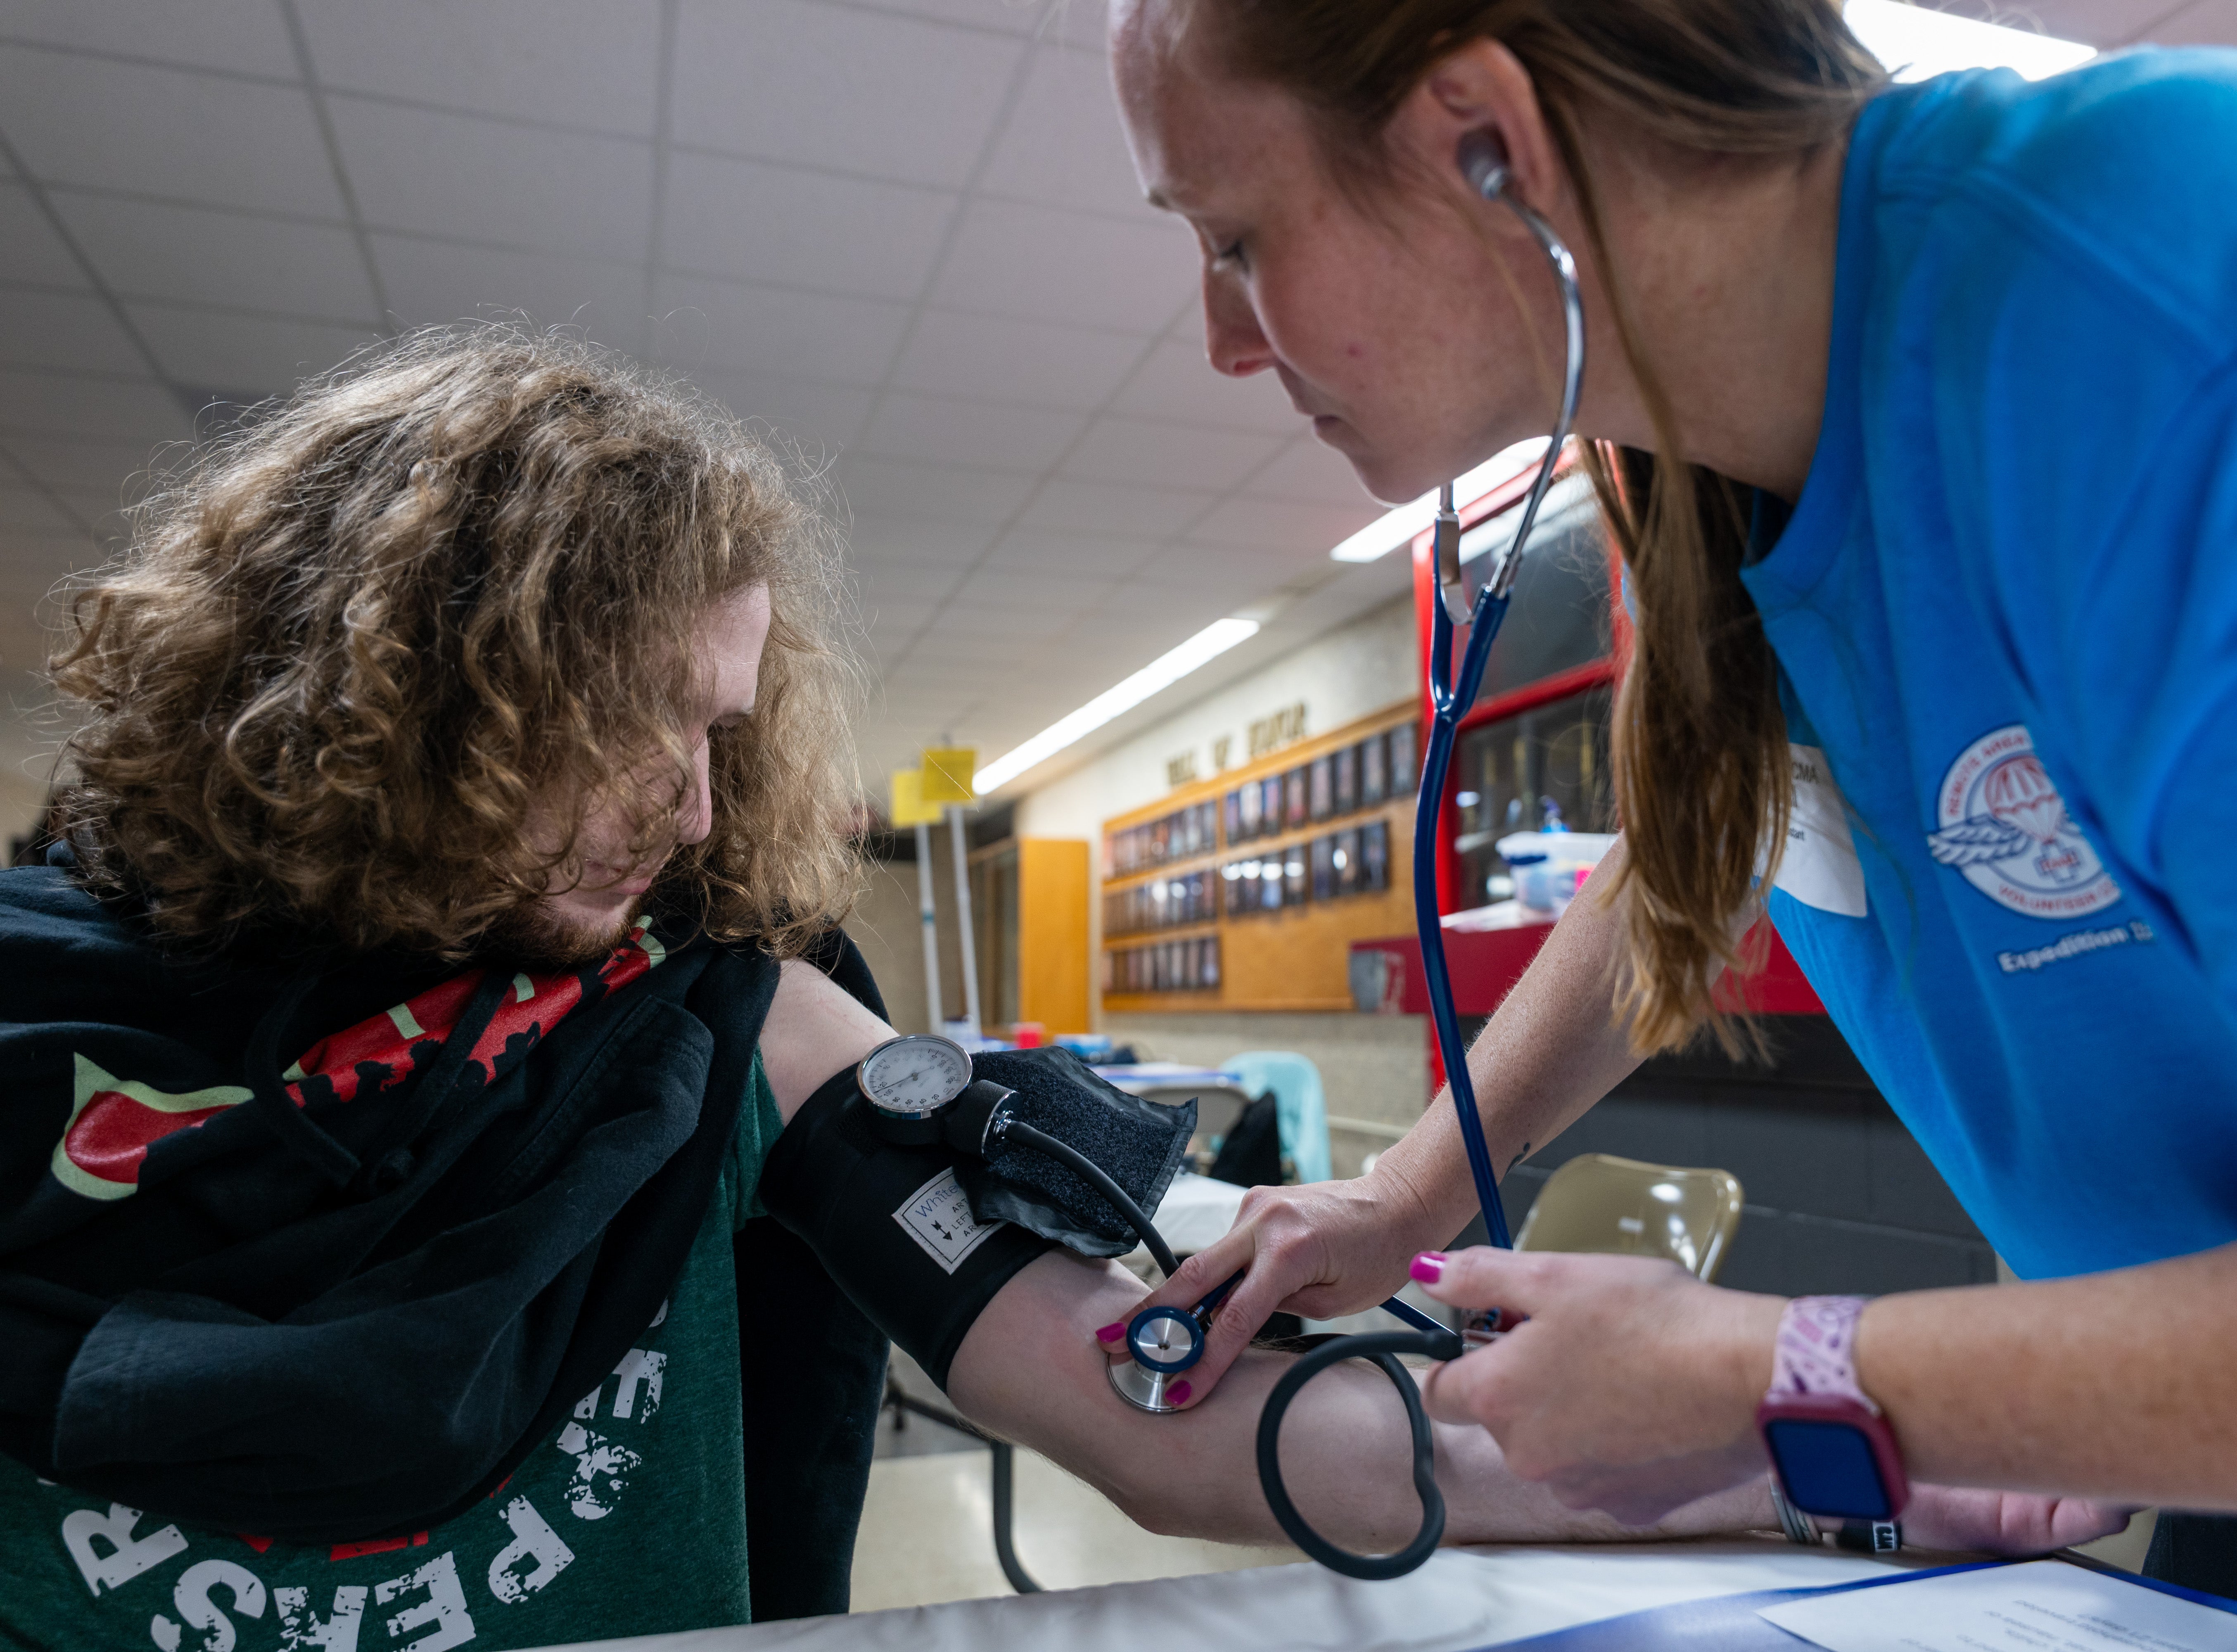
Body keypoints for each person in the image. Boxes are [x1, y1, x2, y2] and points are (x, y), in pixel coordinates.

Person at [0, 329, 1773, 1651]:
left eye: (722, 732)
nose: (699, 808)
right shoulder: (35, 1038)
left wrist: (1818, 1456)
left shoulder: (726, 1029)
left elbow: (1168, 1417)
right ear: (454, 689)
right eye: (644, 722)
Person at [1107, 0, 2237, 1640]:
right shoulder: (1729, 459)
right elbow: (1710, 836)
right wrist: (1407, 1197)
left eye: (1237, 238)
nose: (1225, 339)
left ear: (1483, 135)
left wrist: (1782, 1372)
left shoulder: (2196, 322)